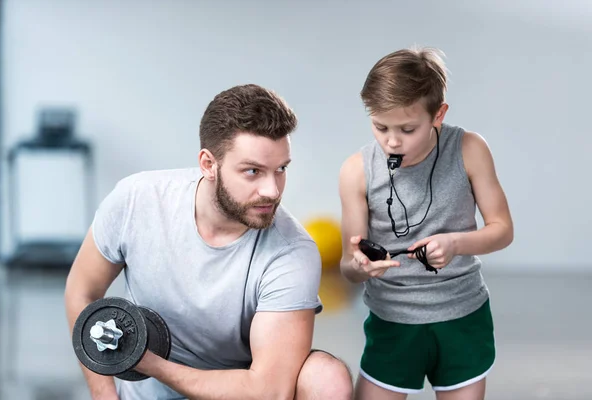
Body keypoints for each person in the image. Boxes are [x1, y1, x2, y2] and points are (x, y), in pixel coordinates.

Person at [65, 84, 354, 400]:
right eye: (253, 171)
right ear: (208, 164)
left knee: (327, 378)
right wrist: (105, 395)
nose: (272, 190)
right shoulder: (136, 200)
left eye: (281, 169)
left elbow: (270, 390)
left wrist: (150, 363)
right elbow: (82, 291)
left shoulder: (291, 252)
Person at [338, 47, 514, 400]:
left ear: (438, 115)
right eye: (379, 126)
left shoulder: (469, 148)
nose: (391, 141)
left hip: (463, 316)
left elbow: (502, 229)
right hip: (392, 320)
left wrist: (456, 244)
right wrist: (360, 267)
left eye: (407, 129)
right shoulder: (355, 170)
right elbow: (347, 266)